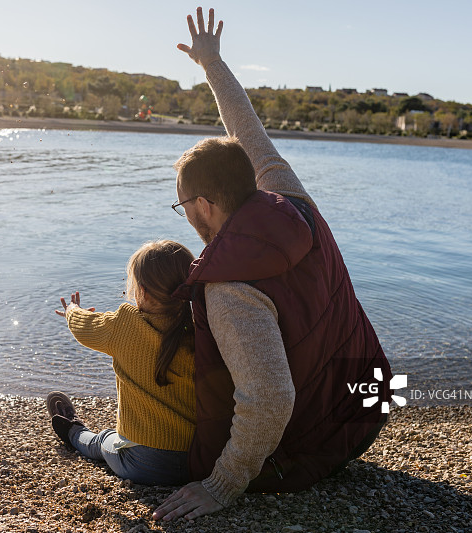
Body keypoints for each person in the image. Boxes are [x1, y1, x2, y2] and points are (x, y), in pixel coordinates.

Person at [152, 8, 393, 521]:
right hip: (369, 408)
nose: (185, 216)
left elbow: (271, 399)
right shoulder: (291, 198)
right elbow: (247, 129)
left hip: (305, 453)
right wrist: (212, 64)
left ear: (204, 205)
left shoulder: (227, 287)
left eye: (182, 205)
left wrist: (222, 485)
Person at [48, 240, 196, 486]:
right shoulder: (202, 326)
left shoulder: (125, 324)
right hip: (201, 460)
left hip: (144, 464)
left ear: (143, 291)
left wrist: (72, 310)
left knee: (103, 441)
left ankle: (73, 432)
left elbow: (85, 326)